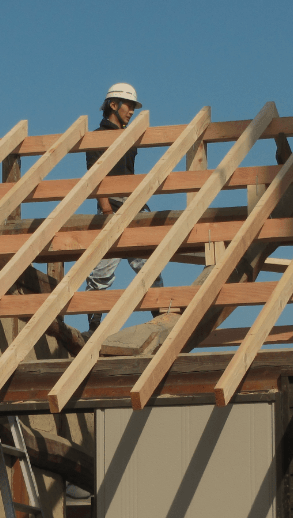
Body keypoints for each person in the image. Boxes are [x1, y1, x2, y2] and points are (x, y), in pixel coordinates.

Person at [84, 83, 163, 334]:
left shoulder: (129, 137)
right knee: (102, 272)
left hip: (133, 206)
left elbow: (129, 174)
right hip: (113, 207)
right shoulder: (97, 136)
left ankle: (160, 313)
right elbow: (96, 175)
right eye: (129, 106)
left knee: (147, 264)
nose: (132, 111)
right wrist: (107, 211)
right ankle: (94, 324)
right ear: (113, 105)